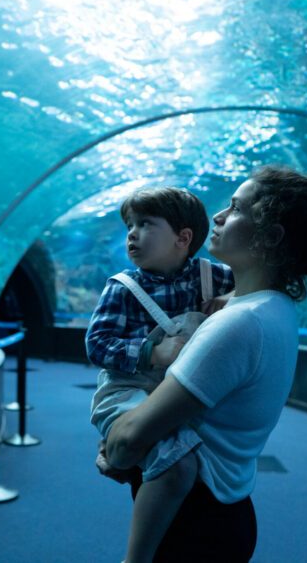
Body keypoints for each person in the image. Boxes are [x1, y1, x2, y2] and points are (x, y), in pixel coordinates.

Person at [100, 162, 307, 561]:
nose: (218, 216)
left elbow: (128, 439)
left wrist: (114, 450)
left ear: (270, 236)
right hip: (225, 513)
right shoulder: (276, 307)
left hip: (193, 525)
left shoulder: (238, 324)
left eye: (236, 208)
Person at [85, 187, 235, 563]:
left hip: (179, 388)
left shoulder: (212, 277)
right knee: (177, 461)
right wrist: (151, 352)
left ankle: (124, 455)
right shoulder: (122, 289)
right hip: (127, 388)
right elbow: (96, 345)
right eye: (130, 226)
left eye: (145, 224)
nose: (132, 234)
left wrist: (232, 298)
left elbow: (261, 289)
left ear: (183, 238)